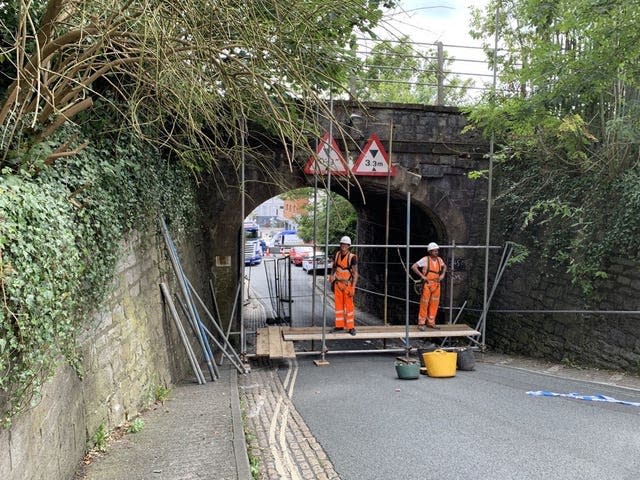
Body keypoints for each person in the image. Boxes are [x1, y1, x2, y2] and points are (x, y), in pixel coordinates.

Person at [411, 242, 447, 331]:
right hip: (427, 284)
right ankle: (421, 323)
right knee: (424, 303)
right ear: (430, 251)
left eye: (437, 251)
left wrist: (442, 275)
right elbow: (414, 267)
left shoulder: (439, 260)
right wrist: (422, 276)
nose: (436, 252)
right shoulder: (425, 259)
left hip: (436, 284)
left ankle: (431, 322)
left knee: (434, 304)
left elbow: (445, 266)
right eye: (434, 251)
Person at [328, 236, 359, 335]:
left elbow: (355, 274)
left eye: (346, 244)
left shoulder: (352, 257)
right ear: (340, 245)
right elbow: (334, 267)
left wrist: (353, 287)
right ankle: (339, 325)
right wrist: (331, 275)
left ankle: (351, 327)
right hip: (337, 284)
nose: (343, 246)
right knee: (338, 306)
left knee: (349, 307)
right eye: (342, 244)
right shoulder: (337, 255)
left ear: (349, 246)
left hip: (347, 285)